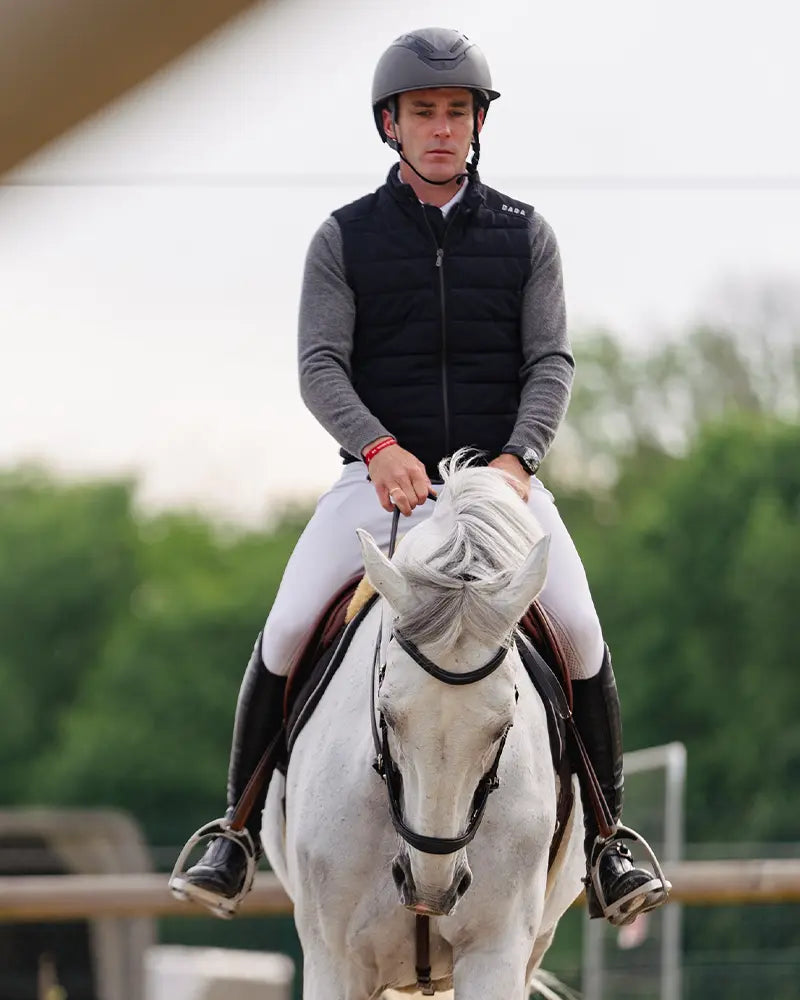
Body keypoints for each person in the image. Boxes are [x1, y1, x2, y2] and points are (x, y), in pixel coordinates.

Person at [172, 26, 670, 926]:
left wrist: (520, 460)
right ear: (390, 126)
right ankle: (235, 830)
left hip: (500, 488)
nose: (442, 129)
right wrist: (377, 448)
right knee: (286, 628)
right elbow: (320, 365)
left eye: (457, 112)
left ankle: (608, 841)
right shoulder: (344, 238)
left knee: (585, 634)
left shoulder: (526, 235)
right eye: (423, 113)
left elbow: (550, 363)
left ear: (478, 123)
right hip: (379, 480)